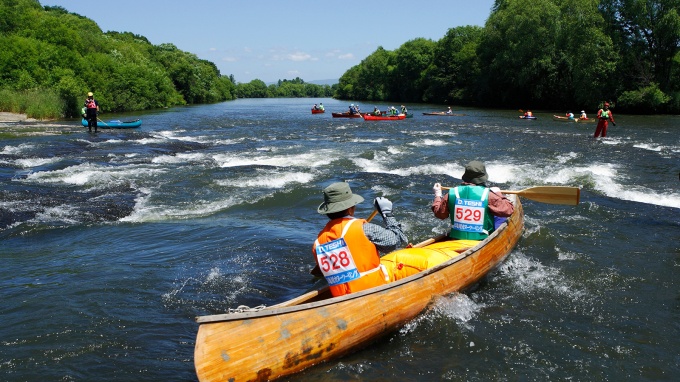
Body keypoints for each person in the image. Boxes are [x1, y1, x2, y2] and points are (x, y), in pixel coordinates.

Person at [313, 182, 408, 297]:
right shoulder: (365, 228)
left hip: (341, 298)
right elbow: (396, 241)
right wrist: (387, 214)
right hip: (375, 291)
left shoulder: (318, 243)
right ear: (350, 209)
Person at [432, 160, 514, 240]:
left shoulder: (451, 193)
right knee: (498, 217)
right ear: (483, 177)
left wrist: (438, 195)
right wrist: (498, 194)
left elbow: (440, 214)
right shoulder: (489, 195)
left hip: (456, 239)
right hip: (481, 239)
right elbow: (509, 210)